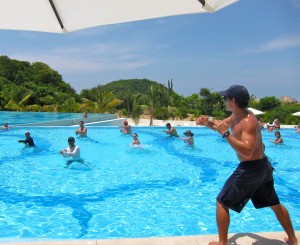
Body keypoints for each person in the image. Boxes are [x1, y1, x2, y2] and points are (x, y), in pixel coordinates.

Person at [196, 85, 298, 245]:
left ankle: (222, 243)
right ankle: (293, 239)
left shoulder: (248, 120)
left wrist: (226, 134)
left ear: (233, 100)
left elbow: (248, 151)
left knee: (222, 201)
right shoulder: (236, 115)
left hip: (252, 168)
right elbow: (220, 125)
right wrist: (206, 123)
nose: (224, 100)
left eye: (226, 98)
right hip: (262, 167)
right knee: (274, 203)